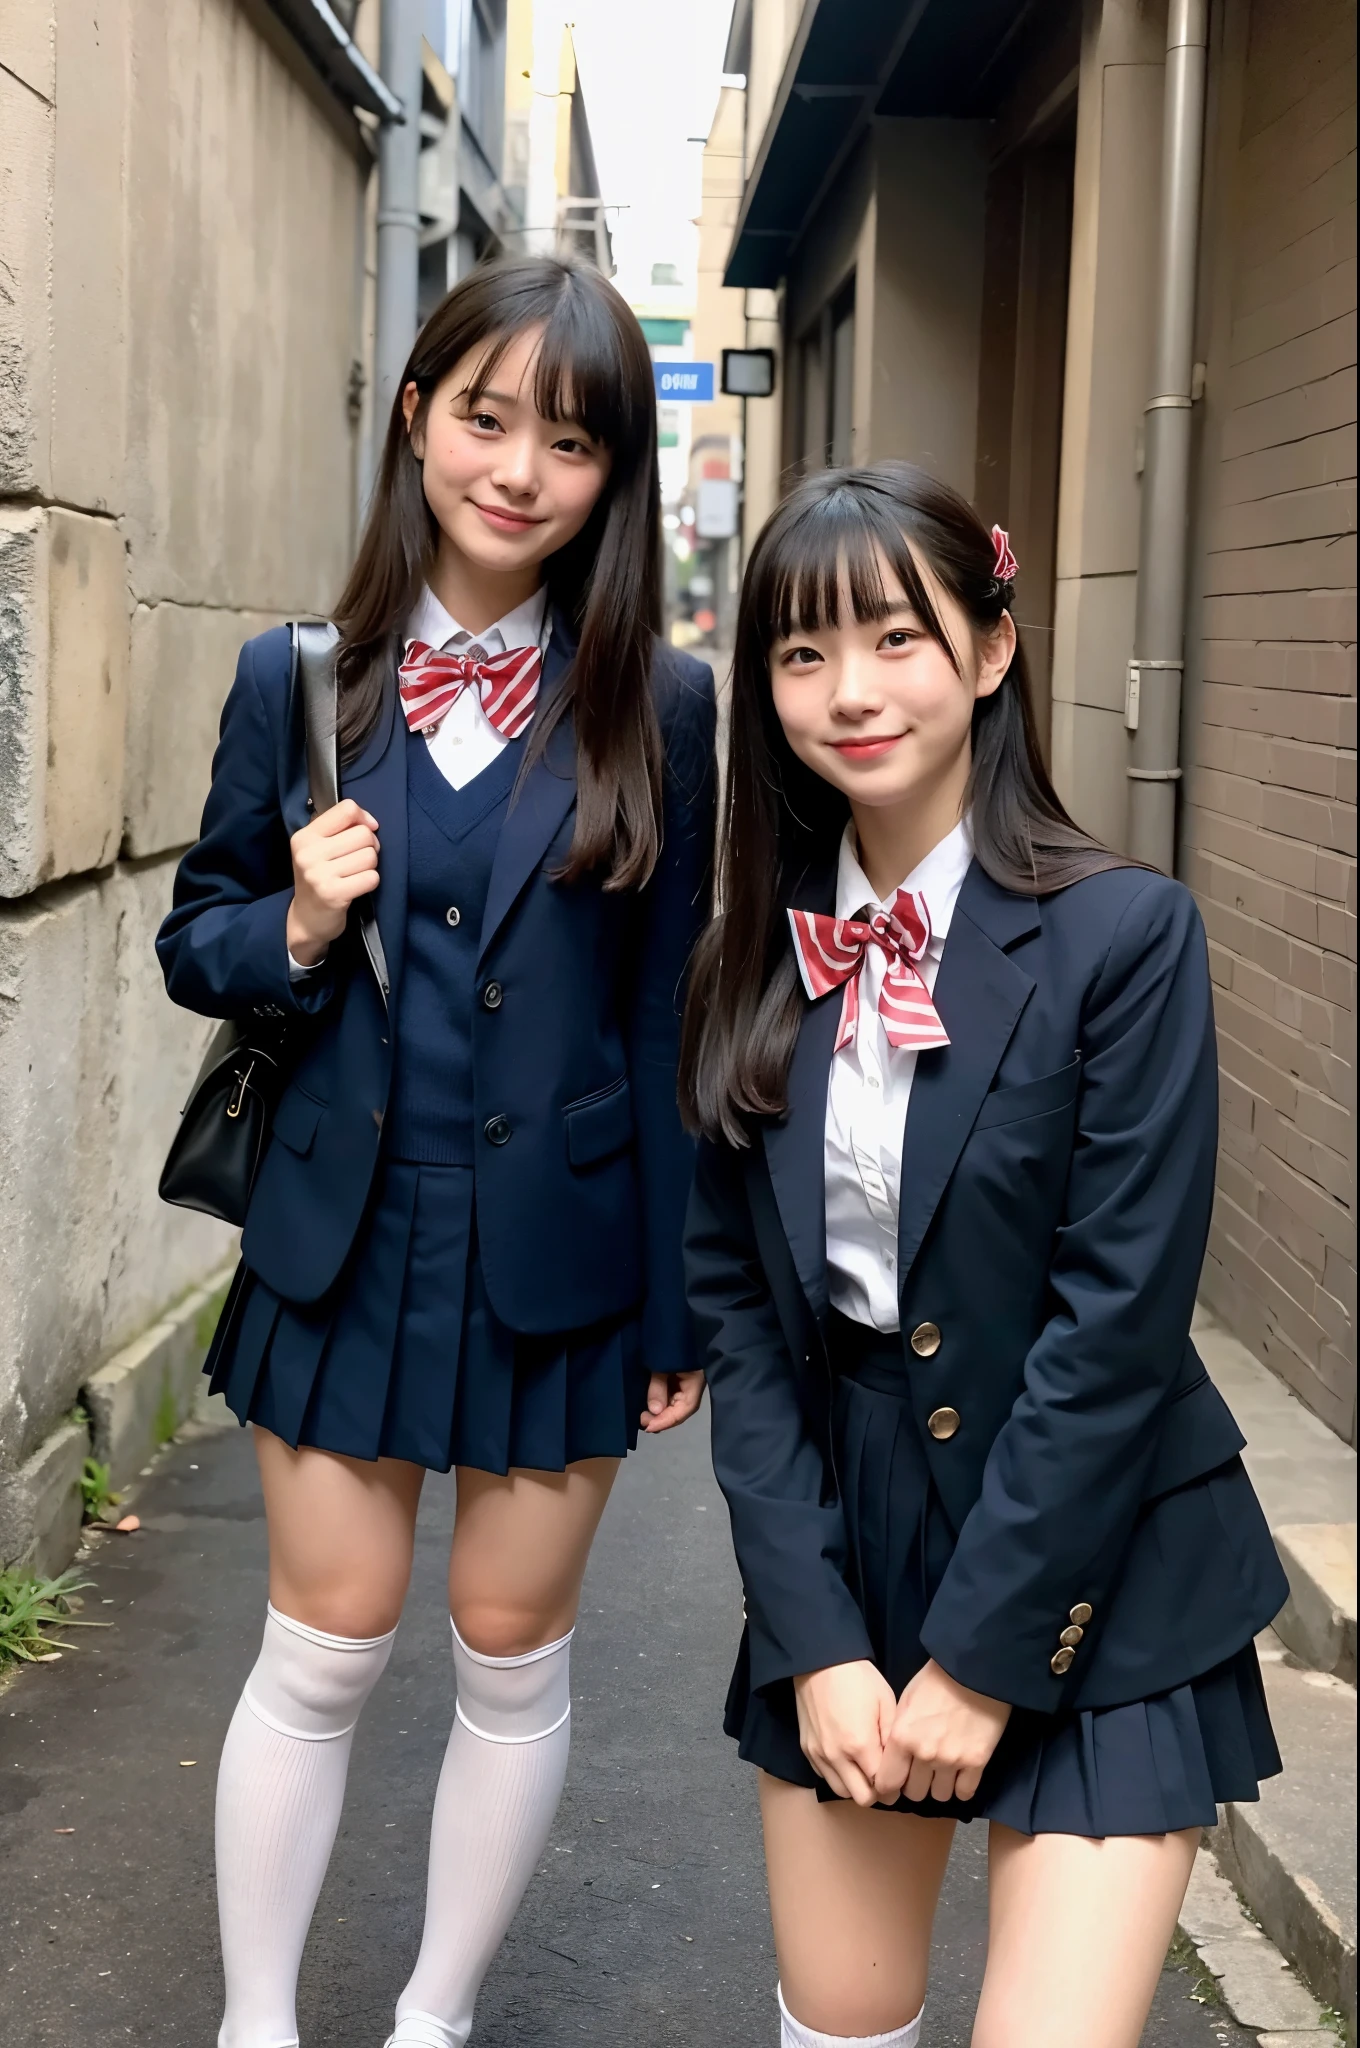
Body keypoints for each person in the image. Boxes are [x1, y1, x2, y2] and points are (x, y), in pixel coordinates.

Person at [157, 256, 715, 2048]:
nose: (519, 469)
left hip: (565, 1247)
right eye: (486, 419)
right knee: (321, 1646)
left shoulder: (666, 710)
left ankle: (435, 2018)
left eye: (569, 439)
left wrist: (675, 1306)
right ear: (418, 418)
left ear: (612, 476)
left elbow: (669, 1020)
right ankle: (259, 2021)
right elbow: (197, 939)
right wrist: (301, 930)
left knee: (506, 1651)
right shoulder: (297, 684)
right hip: (341, 1227)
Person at [680, 462, 1287, 2048]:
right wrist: (816, 1641)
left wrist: (986, 1657)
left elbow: (1118, 1329)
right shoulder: (747, 951)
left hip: (1097, 1547)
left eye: (895, 639)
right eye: (802, 655)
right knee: (842, 2020)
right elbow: (741, 1318)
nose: (849, 691)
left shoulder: (1125, 938)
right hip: (851, 1526)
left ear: (994, 651)